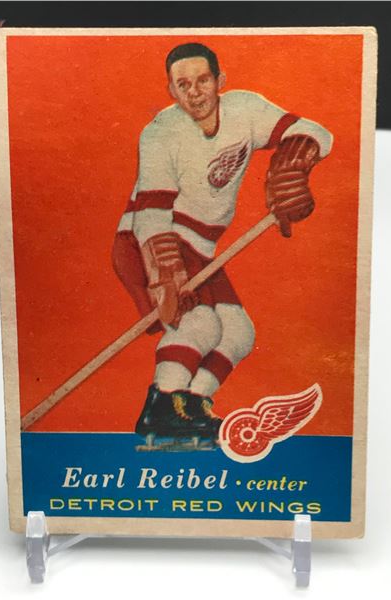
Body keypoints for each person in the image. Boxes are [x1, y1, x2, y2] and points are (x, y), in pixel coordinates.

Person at [112, 42, 333, 447]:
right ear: (171, 91)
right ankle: (162, 405)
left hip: (199, 247)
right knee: (200, 323)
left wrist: (294, 161)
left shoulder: (245, 109)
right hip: (150, 239)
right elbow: (152, 214)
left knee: (239, 334)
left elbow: (317, 132)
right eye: (183, 85)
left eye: (203, 80)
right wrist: (166, 276)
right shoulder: (160, 132)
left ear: (220, 81)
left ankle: (191, 406)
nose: (195, 92)